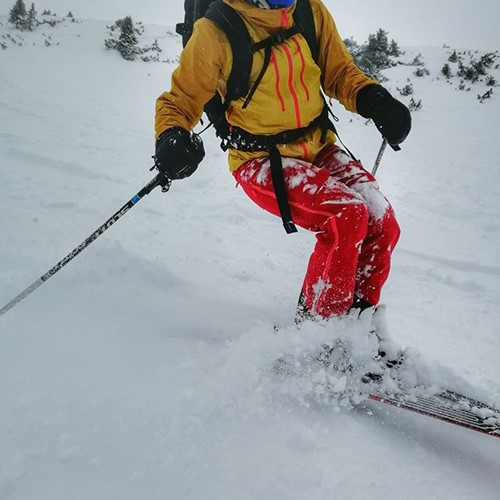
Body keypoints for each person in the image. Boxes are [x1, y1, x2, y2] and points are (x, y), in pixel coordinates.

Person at [153, 0, 411, 329]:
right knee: (345, 215)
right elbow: (180, 100)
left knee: (381, 221)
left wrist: (375, 100)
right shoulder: (216, 30)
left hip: (317, 146)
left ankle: (359, 330)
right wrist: (170, 136)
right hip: (258, 159)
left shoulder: (308, 11)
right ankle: (320, 339)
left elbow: (339, 72)